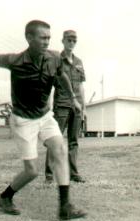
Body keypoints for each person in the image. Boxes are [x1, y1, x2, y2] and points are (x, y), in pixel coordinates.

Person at [0, 20, 87, 221]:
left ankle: (65, 207)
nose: (47, 42)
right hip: (23, 120)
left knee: (59, 150)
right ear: (29, 38)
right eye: (42, 38)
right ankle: (5, 197)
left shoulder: (54, 58)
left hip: (45, 115)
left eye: (49, 38)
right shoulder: (15, 61)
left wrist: (73, 98)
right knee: (31, 171)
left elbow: (63, 77)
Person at [45, 30, 86, 184]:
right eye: (69, 40)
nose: (71, 43)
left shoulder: (79, 62)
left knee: (74, 141)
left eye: (74, 40)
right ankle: (49, 174)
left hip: (76, 107)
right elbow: (49, 84)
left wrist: (84, 107)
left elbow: (81, 86)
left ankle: (73, 173)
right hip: (61, 105)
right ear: (63, 41)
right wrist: (47, 106)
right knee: (55, 139)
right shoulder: (56, 60)